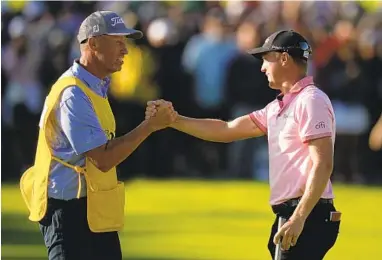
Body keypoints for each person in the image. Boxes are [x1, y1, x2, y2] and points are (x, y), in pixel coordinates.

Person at [146, 30, 341, 260]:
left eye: (266, 59)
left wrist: (299, 218)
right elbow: (227, 130)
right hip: (295, 214)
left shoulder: (311, 100)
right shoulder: (278, 107)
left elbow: (323, 164)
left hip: (308, 215)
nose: (262, 68)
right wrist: (175, 120)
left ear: (284, 59)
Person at [20, 11, 177, 260]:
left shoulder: (95, 86)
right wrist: (149, 126)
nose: (125, 50)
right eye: (117, 42)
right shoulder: (74, 93)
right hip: (68, 212)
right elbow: (102, 159)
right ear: (92, 44)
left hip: (92, 209)